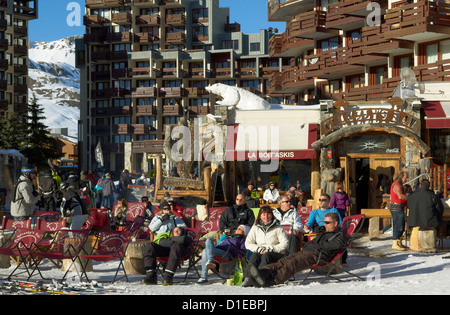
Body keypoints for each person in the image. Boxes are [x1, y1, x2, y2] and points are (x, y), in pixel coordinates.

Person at [247, 212, 347, 287]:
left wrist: (315, 245)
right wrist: (314, 245)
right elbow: (314, 244)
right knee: (284, 260)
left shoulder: (339, 236)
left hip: (319, 256)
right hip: (310, 252)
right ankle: (263, 272)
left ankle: (272, 281)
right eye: (324, 222)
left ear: (335, 223)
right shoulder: (326, 233)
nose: (324, 224)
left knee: (293, 263)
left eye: (327, 222)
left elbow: (327, 246)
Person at [243, 206, 289, 287]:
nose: (266, 217)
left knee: (266, 255)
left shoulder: (278, 227)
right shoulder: (255, 227)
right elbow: (248, 243)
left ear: (272, 215)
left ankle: (261, 277)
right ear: (260, 216)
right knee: (254, 256)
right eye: (263, 215)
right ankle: (248, 278)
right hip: (260, 251)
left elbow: (285, 243)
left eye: (268, 214)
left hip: (275, 252)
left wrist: (270, 249)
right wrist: (260, 249)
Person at [390, 171, 409, 250]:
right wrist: (410, 199)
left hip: (399, 207)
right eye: (406, 178)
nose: (407, 179)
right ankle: (395, 243)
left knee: (401, 224)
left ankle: (399, 242)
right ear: (401, 177)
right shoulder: (397, 185)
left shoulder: (400, 185)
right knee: (398, 225)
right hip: (396, 207)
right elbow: (400, 196)